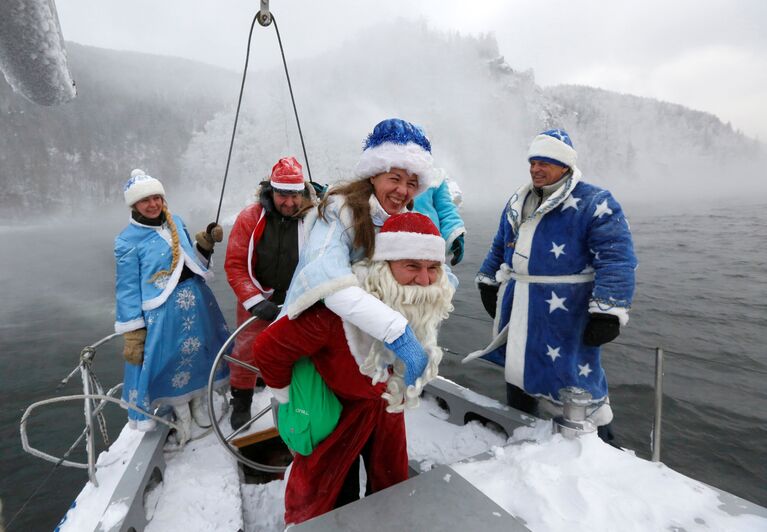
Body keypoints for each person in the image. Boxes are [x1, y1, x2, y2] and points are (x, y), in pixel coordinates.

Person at [251, 212, 455, 525]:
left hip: (386, 408)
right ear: (384, 266)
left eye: (433, 268)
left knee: (390, 489)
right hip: (337, 413)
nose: (425, 281)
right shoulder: (334, 312)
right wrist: (288, 396)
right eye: (412, 266)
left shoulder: (417, 301)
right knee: (329, 499)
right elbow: (268, 349)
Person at [470, 129, 637, 444]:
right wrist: (488, 280)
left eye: (545, 162)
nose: (536, 168)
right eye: (533, 161)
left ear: (566, 166)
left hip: (567, 312)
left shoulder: (595, 202)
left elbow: (616, 259)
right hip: (519, 307)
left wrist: (608, 310)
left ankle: (602, 446)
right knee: (518, 371)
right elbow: (499, 246)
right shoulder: (518, 201)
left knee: (578, 383)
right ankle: (520, 431)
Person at [278, 118, 440, 383]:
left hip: (371, 348)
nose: (403, 191)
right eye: (395, 179)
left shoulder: (404, 220)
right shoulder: (339, 212)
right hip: (323, 342)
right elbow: (328, 282)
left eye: (412, 183)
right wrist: (398, 333)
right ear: (374, 174)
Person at [115, 169, 230, 444]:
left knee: (201, 351)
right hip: (163, 314)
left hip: (197, 302)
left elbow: (190, 260)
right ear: (134, 205)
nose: (153, 204)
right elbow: (127, 290)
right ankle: (181, 413)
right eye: (146, 200)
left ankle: (200, 404)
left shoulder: (176, 222)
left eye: (157, 198)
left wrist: (205, 244)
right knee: (171, 360)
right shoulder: (126, 241)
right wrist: (133, 331)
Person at [224, 156, 317, 430]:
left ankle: (301, 405)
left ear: (304, 192)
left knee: (303, 354)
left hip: (300, 302)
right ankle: (241, 401)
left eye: (295, 195)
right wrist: (255, 302)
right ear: (270, 190)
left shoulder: (315, 219)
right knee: (245, 352)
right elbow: (235, 265)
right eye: (282, 195)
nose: (289, 203)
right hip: (258, 299)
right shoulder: (249, 218)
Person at [413, 169, 466, 266]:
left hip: (431, 248)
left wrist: (455, 233)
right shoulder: (384, 168)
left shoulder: (435, 177)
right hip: (394, 247)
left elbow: (445, 208)